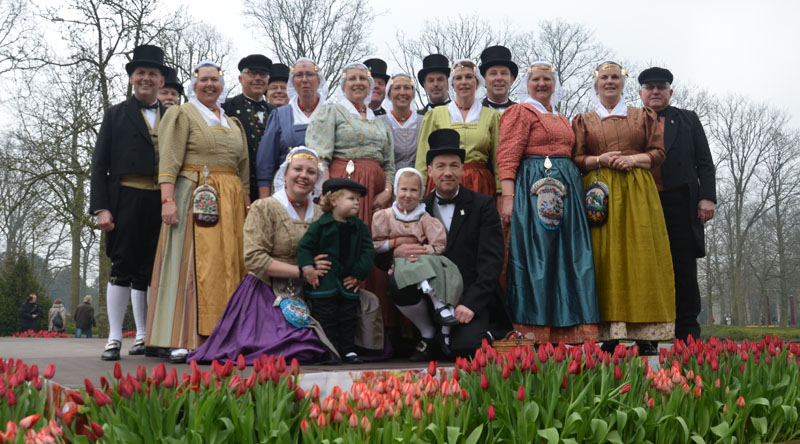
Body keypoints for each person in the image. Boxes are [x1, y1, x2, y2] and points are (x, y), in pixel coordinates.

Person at [188, 147, 334, 364]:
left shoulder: (322, 214)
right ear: (285, 174)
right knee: (296, 346)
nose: (304, 175)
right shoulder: (265, 208)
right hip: (266, 291)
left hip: (312, 290)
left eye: (311, 172)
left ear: (317, 180)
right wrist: (301, 271)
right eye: (298, 169)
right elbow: (254, 258)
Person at [147, 61, 250, 363]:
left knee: (228, 266)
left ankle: (226, 335)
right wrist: (168, 201)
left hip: (230, 201)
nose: (209, 85)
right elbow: (168, 160)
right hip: (195, 194)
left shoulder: (234, 123)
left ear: (222, 84)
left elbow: (243, 170)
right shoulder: (182, 115)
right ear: (194, 85)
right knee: (189, 265)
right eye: (204, 80)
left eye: (215, 80)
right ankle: (182, 337)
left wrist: (245, 203)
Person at [572, 61, 675, 355]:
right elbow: (577, 158)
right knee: (605, 258)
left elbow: (658, 153)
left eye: (615, 77)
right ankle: (608, 333)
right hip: (599, 192)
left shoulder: (643, 116)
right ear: (596, 83)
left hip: (637, 190)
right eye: (604, 77)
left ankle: (646, 333)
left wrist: (631, 160)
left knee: (643, 255)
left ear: (622, 82)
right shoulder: (583, 120)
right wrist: (601, 160)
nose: (609, 82)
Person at [497, 62, 599, 343]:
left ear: (555, 84)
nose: (542, 84)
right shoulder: (520, 112)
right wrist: (508, 197)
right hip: (534, 190)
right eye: (536, 80)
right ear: (526, 85)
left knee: (569, 255)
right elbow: (507, 156)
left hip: (568, 190)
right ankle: (535, 327)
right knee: (538, 254)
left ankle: (568, 327)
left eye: (547, 80)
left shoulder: (562, 118)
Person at [389, 129, 511, 360]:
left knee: (464, 349)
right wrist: (396, 251)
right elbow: (381, 250)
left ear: (462, 169)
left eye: (454, 166)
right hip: (433, 299)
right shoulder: (418, 209)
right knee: (398, 282)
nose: (448, 172)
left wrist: (471, 304)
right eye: (441, 166)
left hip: (471, 297)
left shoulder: (482, 206)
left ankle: (482, 331)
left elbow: (492, 262)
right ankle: (429, 331)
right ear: (430, 171)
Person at [89, 44, 168, 361]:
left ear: (161, 80)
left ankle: (144, 334)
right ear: (132, 79)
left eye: (152, 73)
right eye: (140, 73)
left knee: (151, 270)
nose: (146, 78)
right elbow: (99, 164)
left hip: (162, 200)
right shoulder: (115, 115)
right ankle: (112, 338)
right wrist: (101, 207)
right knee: (122, 267)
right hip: (125, 199)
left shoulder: (174, 116)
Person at [637, 67, 716, 343]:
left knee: (683, 268)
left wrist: (707, 197)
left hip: (680, 203)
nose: (655, 92)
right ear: (640, 93)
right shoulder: (630, 120)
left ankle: (687, 333)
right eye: (650, 87)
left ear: (670, 91)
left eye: (661, 87)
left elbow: (704, 162)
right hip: (642, 204)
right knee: (644, 267)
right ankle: (646, 333)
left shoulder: (688, 120)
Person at [372, 168, 462, 355]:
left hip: (421, 258)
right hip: (399, 262)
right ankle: (435, 316)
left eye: (414, 190)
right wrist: (396, 243)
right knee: (406, 271)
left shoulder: (424, 217)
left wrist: (423, 250)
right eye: (403, 189)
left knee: (445, 268)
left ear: (420, 193)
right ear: (396, 190)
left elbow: (438, 245)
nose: (408, 195)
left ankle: (442, 309)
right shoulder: (386, 216)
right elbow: (376, 245)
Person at [305, 61, 394, 232]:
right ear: (343, 86)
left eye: (363, 79)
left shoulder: (380, 123)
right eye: (352, 79)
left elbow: (389, 164)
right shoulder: (331, 112)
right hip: (344, 184)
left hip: (376, 190)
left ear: (369, 85)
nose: (358, 83)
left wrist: (387, 192)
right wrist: (325, 190)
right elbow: (320, 156)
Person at [298, 178, 374, 364]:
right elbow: (305, 248)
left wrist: (358, 273)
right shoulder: (319, 226)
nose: (357, 202)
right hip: (324, 284)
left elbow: (367, 251)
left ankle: (348, 350)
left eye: (358, 199)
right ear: (333, 201)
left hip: (347, 283)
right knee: (326, 318)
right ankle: (329, 349)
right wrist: (309, 269)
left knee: (348, 317)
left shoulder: (360, 227)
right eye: (351, 198)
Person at [415, 59, 500, 197]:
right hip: (443, 182)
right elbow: (423, 157)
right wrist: (419, 188)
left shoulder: (492, 116)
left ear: (477, 82)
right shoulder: (435, 115)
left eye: (469, 77)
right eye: (458, 78)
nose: (464, 82)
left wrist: (501, 192)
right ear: (452, 85)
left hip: (480, 184)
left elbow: (498, 160)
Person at [256, 58, 328, 197]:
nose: (304, 80)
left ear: (319, 80)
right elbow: (266, 162)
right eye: (299, 75)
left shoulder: (332, 112)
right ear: (293, 82)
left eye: (310, 75)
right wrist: (264, 201)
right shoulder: (280, 115)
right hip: (288, 193)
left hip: (326, 193)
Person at [222, 54, 274, 202]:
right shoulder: (227, 108)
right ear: (240, 79)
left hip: (270, 186)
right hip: (238, 184)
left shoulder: (275, 112)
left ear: (267, 80)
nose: (258, 78)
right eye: (252, 73)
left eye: (263, 74)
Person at [377, 73, 422, 170]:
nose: (402, 92)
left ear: (413, 94)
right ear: (389, 94)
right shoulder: (378, 122)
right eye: (397, 88)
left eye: (407, 88)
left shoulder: (424, 122)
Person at [479, 45, 517, 113]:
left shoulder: (521, 112)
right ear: (483, 80)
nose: (499, 78)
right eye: (493, 73)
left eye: (504, 73)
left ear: (512, 80)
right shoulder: (474, 113)